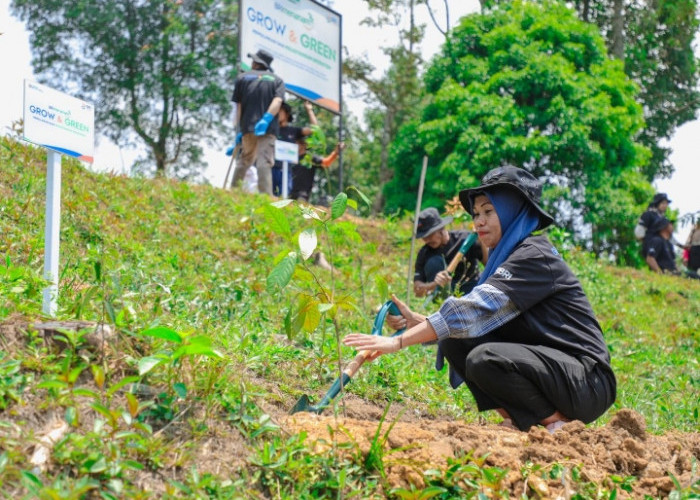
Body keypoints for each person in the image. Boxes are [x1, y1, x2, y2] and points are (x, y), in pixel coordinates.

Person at [344, 166, 616, 433]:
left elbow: (474, 310)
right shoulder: (507, 257)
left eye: (489, 211)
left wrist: (398, 341)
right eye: (476, 214)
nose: (478, 222)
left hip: (586, 380)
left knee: (486, 357)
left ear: (513, 212)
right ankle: (519, 419)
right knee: (455, 341)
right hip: (554, 372)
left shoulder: (534, 254)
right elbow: (472, 322)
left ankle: (558, 424)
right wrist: (417, 323)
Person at [227, 49, 285, 195]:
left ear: (255, 62)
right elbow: (278, 101)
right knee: (263, 161)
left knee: (245, 159)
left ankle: (233, 192)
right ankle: (265, 196)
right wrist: (266, 118)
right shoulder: (277, 80)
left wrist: (239, 129)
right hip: (267, 128)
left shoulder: (242, 78)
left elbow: (237, 107)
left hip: (247, 127)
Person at [412, 207, 486, 298]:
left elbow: (489, 264)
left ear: (441, 229)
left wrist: (482, 242)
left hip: (472, 290)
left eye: (430, 235)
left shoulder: (465, 239)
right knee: (433, 262)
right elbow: (417, 291)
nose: (427, 240)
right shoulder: (424, 253)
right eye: (424, 237)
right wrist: (434, 284)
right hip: (444, 299)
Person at [272, 100, 317, 197]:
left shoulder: (293, 131)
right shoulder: (271, 130)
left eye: (280, 111)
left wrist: (309, 110)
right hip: (271, 169)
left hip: (286, 170)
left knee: (282, 198)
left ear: (287, 114)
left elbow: (314, 129)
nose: (277, 113)